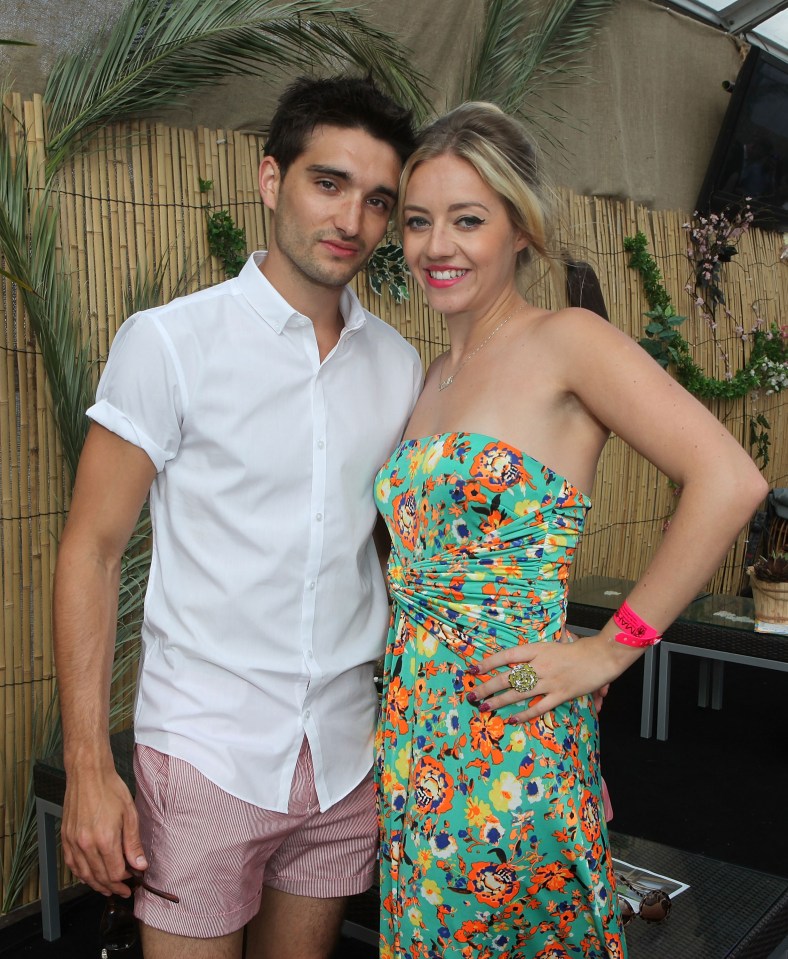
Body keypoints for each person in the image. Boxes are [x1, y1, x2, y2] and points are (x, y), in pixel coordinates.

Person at [373, 102, 767, 958]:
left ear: (520, 228)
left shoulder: (568, 341)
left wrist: (611, 648)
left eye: (467, 219)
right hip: (413, 740)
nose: (437, 245)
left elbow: (730, 480)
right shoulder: (434, 371)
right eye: (417, 221)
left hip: (508, 736)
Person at [52, 75, 423, 959]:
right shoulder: (171, 342)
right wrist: (86, 766)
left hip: (344, 754)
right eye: (327, 183)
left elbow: (389, 544)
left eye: (377, 200)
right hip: (206, 751)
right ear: (270, 180)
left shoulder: (401, 366)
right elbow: (92, 550)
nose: (352, 221)